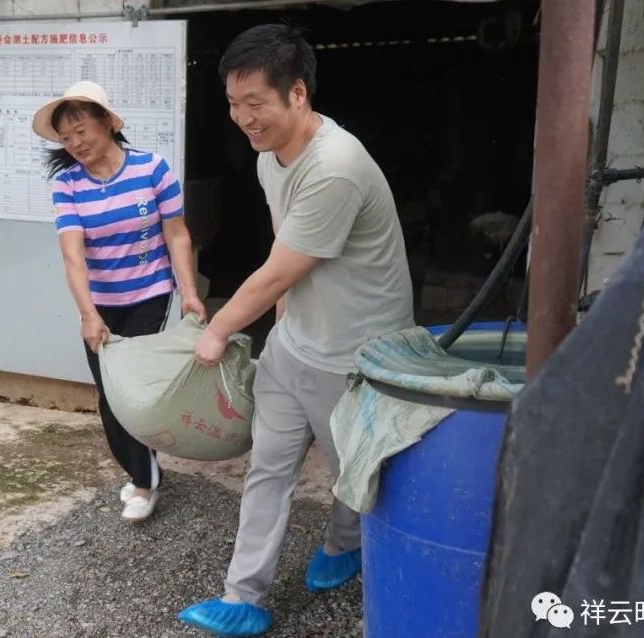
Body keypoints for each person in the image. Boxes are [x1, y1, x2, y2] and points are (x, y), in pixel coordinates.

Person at [178, 25, 415, 635]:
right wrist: (279, 329)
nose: (242, 117)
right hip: (296, 342)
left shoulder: (335, 166)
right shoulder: (268, 158)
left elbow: (281, 266)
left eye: (255, 102)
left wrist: (218, 330)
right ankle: (243, 597)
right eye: (233, 103)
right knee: (269, 468)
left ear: (298, 93)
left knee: (352, 473)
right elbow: (286, 250)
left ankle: (346, 545)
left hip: (357, 353)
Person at [32, 81, 206, 523]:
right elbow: (72, 254)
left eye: (80, 130)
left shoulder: (152, 168)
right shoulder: (67, 185)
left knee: (135, 391)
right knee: (109, 395)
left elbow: (177, 234)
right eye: (65, 138)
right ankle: (139, 470)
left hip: (149, 293)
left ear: (108, 122)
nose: (74, 144)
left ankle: (146, 483)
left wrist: (188, 293)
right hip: (101, 304)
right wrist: (87, 314)